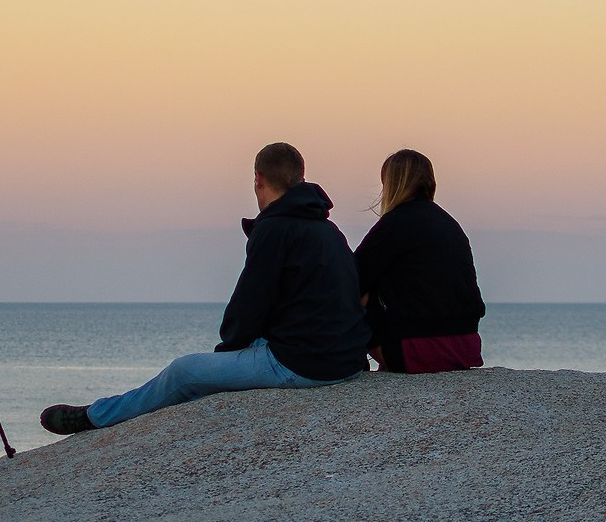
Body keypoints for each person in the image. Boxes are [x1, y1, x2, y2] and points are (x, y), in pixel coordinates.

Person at [39, 142, 369, 433]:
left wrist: (228, 352)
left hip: (307, 365)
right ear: (300, 177)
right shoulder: (328, 229)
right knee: (215, 369)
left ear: (258, 178)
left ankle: (96, 416)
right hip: (345, 360)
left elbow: (249, 304)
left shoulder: (275, 228)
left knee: (185, 370)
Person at [354, 149, 485, 373]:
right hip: (467, 345)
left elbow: (352, 276)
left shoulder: (395, 223)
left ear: (393, 184)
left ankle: (349, 361)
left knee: (359, 289)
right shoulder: (449, 225)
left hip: (418, 350)